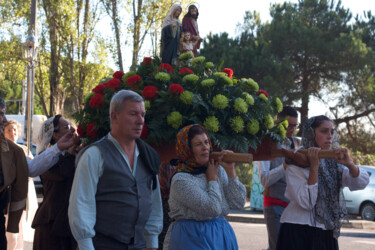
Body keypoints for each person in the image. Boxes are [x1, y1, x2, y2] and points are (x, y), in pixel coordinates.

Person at [69, 90, 163, 250]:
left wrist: (152, 242)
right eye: (133, 114)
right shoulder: (95, 155)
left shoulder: (148, 155)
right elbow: (81, 205)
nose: (140, 121)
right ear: (114, 116)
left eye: (142, 114)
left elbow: (154, 201)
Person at [276, 115, 370, 250]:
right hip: (297, 230)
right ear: (311, 133)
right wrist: (314, 167)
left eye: (332, 132)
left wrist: (349, 164)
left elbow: (360, 183)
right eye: (324, 131)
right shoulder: (295, 162)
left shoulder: (333, 163)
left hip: (325, 230)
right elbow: (307, 202)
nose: (330, 136)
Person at [163, 124, 246, 250]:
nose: (205, 148)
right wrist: (212, 179)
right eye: (198, 144)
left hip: (221, 234)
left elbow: (239, 202)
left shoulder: (218, 170)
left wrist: (231, 170)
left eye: (206, 142)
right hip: (191, 237)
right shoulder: (181, 180)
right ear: (187, 149)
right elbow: (212, 209)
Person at [32, 115, 80, 249]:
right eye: (67, 127)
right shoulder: (46, 158)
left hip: (69, 222)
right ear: (55, 135)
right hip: (51, 222)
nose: (73, 130)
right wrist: (70, 154)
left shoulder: (75, 154)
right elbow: (62, 174)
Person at [258, 106, 301, 250]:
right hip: (274, 203)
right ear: (278, 122)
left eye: (295, 125)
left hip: (294, 206)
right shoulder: (266, 143)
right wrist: (285, 165)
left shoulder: (296, 143)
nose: (292, 129)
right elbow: (264, 180)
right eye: (289, 125)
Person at [4, 120, 38, 249]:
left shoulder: (24, 149)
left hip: (22, 197)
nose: (13, 133)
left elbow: (34, 171)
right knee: (9, 232)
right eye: (9, 130)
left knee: (20, 230)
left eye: (15, 130)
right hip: (8, 197)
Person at [0, 97, 28, 250]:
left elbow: (20, 188)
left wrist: (12, 224)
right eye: (0, 114)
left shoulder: (15, 151)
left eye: (3, 114)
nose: (4, 119)